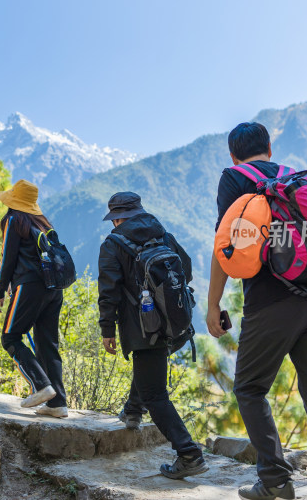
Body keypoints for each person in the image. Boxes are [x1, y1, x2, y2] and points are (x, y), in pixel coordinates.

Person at [206, 123, 307, 500]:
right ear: (269, 149)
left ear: (233, 154)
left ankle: (274, 481)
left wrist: (213, 304)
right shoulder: (298, 178)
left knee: (250, 388)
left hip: (273, 302)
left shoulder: (234, 178)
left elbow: (227, 244)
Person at [97, 191, 208, 479]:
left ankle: (189, 454)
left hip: (141, 326)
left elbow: (108, 290)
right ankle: (133, 411)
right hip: (174, 321)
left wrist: (107, 329)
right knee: (150, 372)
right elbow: (187, 270)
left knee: (154, 392)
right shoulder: (164, 236)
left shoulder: (114, 243)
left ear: (117, 218)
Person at [0, 179, 68, 418]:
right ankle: (58, 404)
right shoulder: (43, 221)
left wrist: (0, 290)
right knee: (47, 343)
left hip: (29, 286)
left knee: (10, 337)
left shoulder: (14, 220)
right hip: (54, 288)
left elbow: (8, 258)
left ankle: (41, 386)